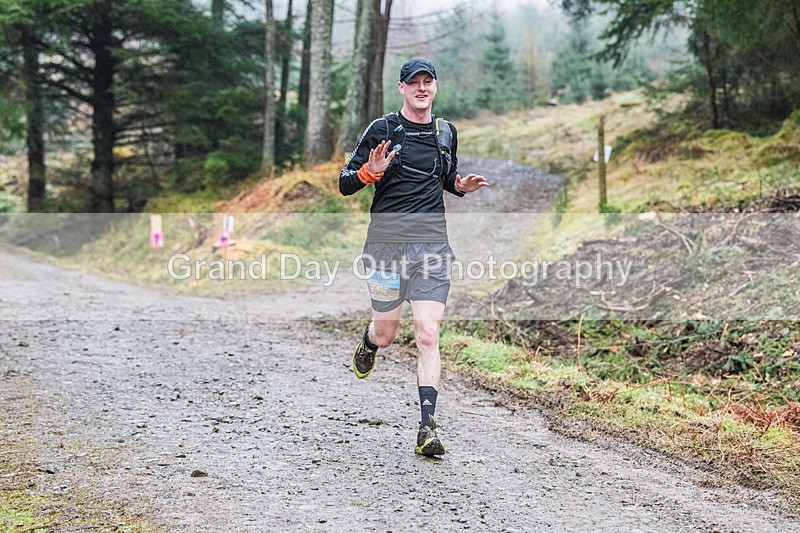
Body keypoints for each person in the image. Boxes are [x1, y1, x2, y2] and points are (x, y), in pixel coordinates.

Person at [338, 57, 489, 456]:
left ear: (435, 87)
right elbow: (344, 183)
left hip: (432, 249)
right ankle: (369, 342)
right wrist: (369, 174)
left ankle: (427, 428)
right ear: (402, 88)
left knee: (427, 332)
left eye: (428, 82)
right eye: (414, 82)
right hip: (386, 249)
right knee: (387, 334)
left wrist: (460, 185)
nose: (422, 88)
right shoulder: (382, 130)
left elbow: (443, 176)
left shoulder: (445, 132)